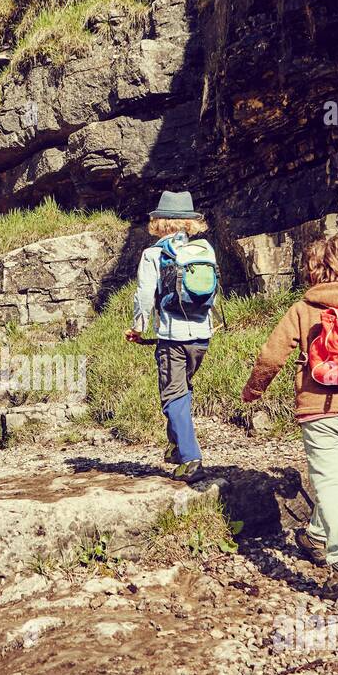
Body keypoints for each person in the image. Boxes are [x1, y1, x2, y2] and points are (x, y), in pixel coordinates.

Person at [241, 235, 338, 603]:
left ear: (314, 270)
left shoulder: (303, 308)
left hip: (321, 412)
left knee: (329, 488)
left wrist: (253, 390)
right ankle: (315, 536)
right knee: (333, 483)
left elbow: (271, 355)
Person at [127, 191, 215, 480]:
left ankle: (191, 459)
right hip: (202, 336)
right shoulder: (205, 250)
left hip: (171, 337)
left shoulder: (153, 254)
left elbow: (143, 296)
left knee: (173, 395)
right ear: (190, 223)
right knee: (183, 390)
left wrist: (138, 328)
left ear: (160, 223)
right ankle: (177, 447)